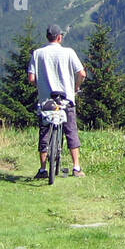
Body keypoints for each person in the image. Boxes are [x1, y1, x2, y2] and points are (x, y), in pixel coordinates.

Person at [27, 24, 87, 177]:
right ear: (60, 37)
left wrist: (41, 86)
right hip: (66, 100)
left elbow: (31, 78)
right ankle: (76, 167)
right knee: (71, 131)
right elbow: (82, 74)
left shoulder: (37, 53)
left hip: (46, 101)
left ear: (47, 37)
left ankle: (42, 169)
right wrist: (76, 87)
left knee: (44, 133)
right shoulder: (68, 52)